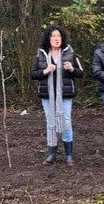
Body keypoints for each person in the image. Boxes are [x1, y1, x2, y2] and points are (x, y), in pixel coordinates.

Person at [31, 25, 83, 166]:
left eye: (59, 36)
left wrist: (71, 69)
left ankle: (69, 155)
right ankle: (52, 154)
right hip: (47, 95)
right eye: (53, 36)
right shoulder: (41, 53)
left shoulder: (69, 52)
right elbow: (33, 74)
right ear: (48, 38)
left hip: (65, 95)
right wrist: (46, 71)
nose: (56, 39)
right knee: (51, 123)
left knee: (66, 122)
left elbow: (81, 73)